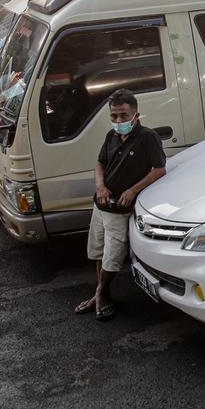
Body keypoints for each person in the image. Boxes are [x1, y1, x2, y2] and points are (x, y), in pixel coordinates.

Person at [75, 89, 166, 320]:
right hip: (101, 206)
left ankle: (99, 293)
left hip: (119, 211)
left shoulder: (147, 137)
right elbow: (100, 163)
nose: (118, 121)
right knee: (99, 252)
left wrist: (133, 190)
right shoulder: (111, 136)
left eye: (123, 115)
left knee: (113, 257)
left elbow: (159, 169)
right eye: (114, 116)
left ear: (136, 115)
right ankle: (102, 293)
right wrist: (100, 187)